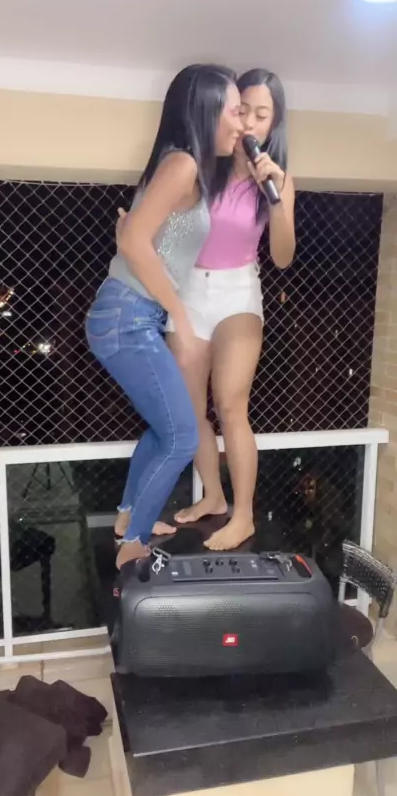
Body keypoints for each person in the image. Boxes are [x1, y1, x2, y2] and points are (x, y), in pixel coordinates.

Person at [115, 68, 296, 552]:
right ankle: (213, 495)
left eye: (262, 115)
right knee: (191, 410)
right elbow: (166, 227)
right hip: (189, 290)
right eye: (242, 110)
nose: (249, 123)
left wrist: (277, 199)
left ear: (274, 123)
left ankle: (244, 515)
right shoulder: (202, 165)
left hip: (239, 291)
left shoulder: (277, 181)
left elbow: (282, 257)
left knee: (232, 404)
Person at [85, 64, 243, 568]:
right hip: (128, 316)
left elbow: (137, 237)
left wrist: (131, 241)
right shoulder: (182, 164)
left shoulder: (180, 165)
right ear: (206, 110)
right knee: (181, 436)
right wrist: (183, 318)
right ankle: (132, 546)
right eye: (236, 111)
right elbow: (135, 240)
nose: (241, 123)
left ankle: (127, 518)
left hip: (130, 315)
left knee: (165, 428)